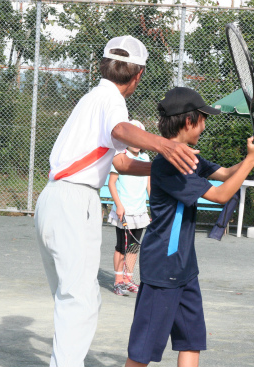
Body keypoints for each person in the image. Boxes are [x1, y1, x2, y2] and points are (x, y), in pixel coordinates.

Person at [34, 36, 203, 367]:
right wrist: (164, 146)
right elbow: (121, 128)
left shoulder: (91, 99)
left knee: (70, 299)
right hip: (74, 201)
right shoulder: (111, 100)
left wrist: (160, 166)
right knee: (80, 301)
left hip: (51, 200)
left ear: (104, 65)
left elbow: (121, 162)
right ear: (138, 74)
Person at [124, 87, 254, 367]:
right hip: (163, 268)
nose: (205, 125)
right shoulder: (168, 166)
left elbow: (227, 173)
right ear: (190, 122)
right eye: (203, 119)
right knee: (142, 353)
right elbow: (221, 194)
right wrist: (251, 159)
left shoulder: (188, 156)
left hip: (185, 269)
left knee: (191, 340)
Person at [108, 120, 151, 296]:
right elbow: (112, 183)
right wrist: (119, 205)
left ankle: (128, 279)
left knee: (134, 246)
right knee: (121, 247)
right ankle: (118, 281)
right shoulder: (120, 157)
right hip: (124, 211)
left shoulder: (146, 159)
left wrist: (154, 207)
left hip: (140, 211)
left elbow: (149, 186)